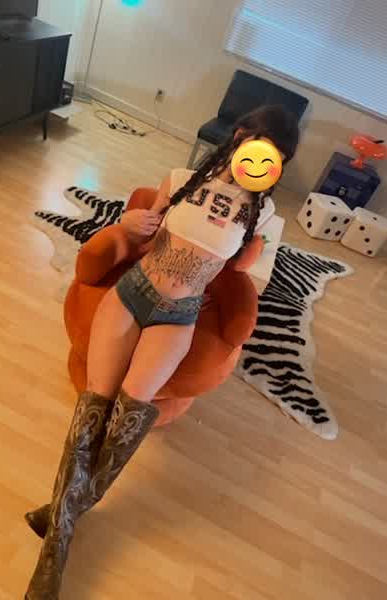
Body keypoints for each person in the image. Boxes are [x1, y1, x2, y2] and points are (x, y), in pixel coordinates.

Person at [24, 105, 300, 599]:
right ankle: (55, 554)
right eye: (258, 144)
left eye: (274, 156)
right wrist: (131, 222)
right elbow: (140, 232)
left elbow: (238, 268)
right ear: (240, 136)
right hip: (133, 294)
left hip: (179, 314)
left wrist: (249, 252)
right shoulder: (180, 179)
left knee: (126, 422)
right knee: (93, 409)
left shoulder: (262, 214)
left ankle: (61, 514)